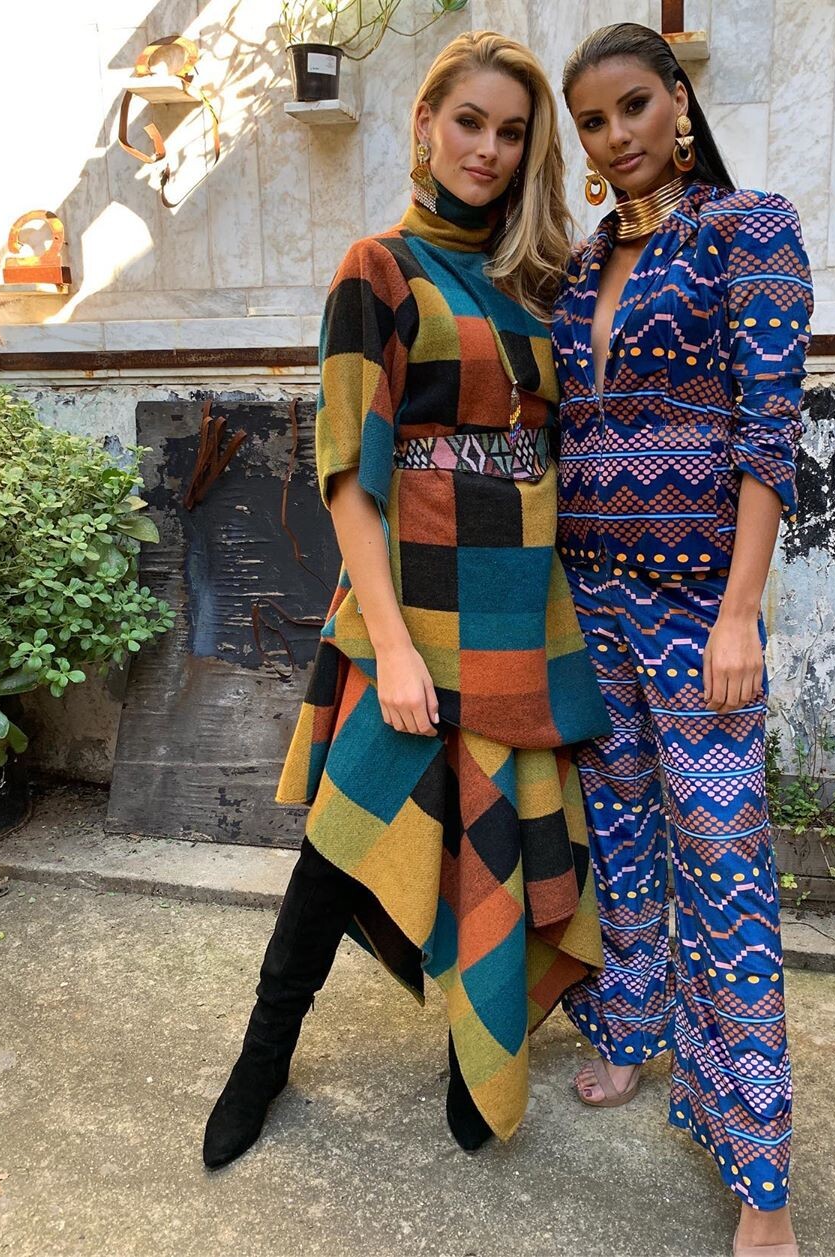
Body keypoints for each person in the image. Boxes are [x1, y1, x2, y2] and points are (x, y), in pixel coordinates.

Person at [202, 29, 610, 1170]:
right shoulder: (376, 270)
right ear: (426, 123)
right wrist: (388, 644)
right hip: (414, 613)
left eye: (512, 132)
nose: (488, 149)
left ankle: (478, 1056)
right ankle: (261, 1061)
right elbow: (349, 468)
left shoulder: (537, 284)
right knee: (344, 840)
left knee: (499, 837)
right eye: (469, 121)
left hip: (519, 618)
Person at [553, 23, 813, 1257]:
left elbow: (770, 428)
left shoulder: (747, 229)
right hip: (589, 594)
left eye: (634, 107)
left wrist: (739, 609)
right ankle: (632, 1034)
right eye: (593, 122)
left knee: (725, 864)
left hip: (697, 603)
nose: (617, 137)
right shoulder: (583, 262)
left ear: (679, 103)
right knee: (620, 837)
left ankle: (763, 1177)